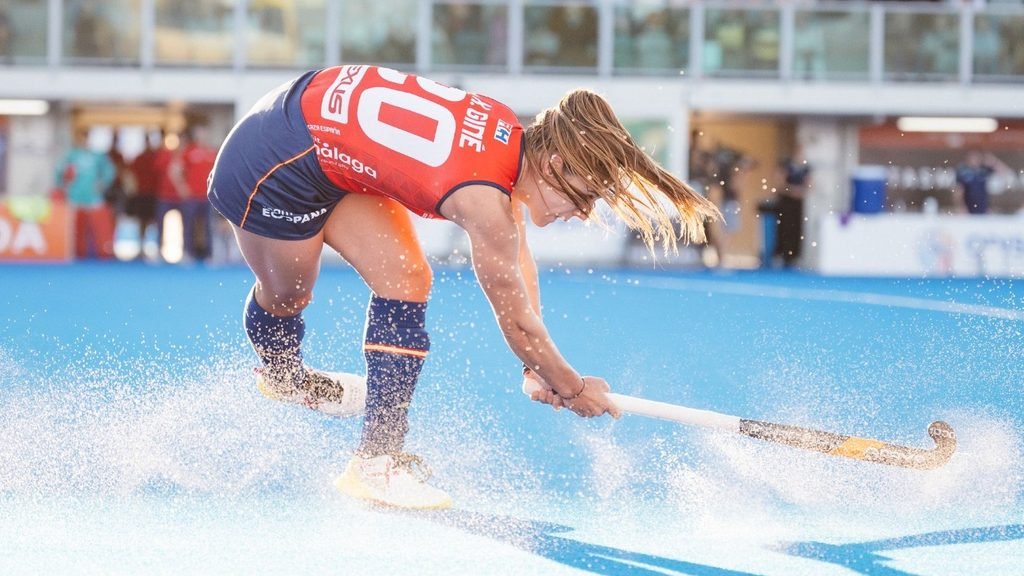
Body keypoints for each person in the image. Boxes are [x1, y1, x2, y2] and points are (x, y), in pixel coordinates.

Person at [207, 65, 719, 509]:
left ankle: (376, 461)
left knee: (407, 280)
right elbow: (516, 322)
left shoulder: (510, 142)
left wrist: (536, 369)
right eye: (584, 196)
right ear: (556, 165)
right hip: (271, 160)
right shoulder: (483, 198)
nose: (583, 213)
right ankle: (284, 375)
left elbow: (518, 260)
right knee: (290, 293)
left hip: (322, 151)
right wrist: (571, 387)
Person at [54, 128, 116, 260]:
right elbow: (59, 171)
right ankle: (76, 252)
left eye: (86, 137)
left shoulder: (97, 155)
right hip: (74, 195)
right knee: (75, 227)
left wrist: (102, 184)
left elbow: (109, 171)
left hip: (93, 196)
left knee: (100, 225)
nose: (84, 140)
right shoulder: (71, 155)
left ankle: (103, 253)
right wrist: (62, 186)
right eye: (81, 138)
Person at [774, 146, 812, 267]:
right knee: (784, 227)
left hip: (798, 202)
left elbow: (809, 185)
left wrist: (800, 191)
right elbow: (779, 183)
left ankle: (794, 256)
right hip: (786, 202)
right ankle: (781, 254)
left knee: (796, 228)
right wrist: (791, 190)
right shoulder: (786, 165)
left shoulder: (805, 168)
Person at [954, 150, 1011, 215]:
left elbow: (1005, 172)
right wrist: (961, 207)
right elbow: (958, 192)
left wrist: (994, 161)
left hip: (984, 209)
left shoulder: (984, 170)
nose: (974, 160)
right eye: (972, 157)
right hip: (968, 211)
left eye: (976, 157)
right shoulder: (962, 172)